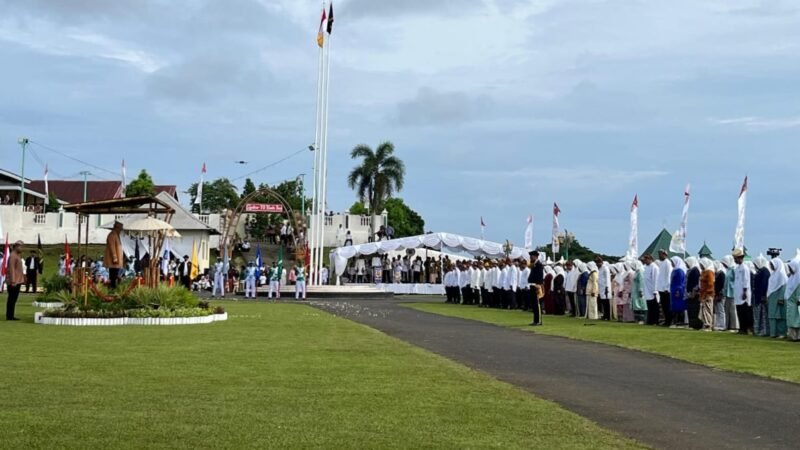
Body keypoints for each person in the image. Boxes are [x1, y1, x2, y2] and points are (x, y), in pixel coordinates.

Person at [766, 258, 787, 339]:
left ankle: (781, 333)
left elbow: (784, 286)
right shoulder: (773, 274)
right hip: (772, 297)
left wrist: (781, 297)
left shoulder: (782, 274)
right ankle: (773, 333)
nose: (771, 266)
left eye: (772, 264)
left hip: (778, 298)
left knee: (779, 315)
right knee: (772, 316)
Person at [733, 249, 752, 335]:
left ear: (740, 258)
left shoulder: (745, 268)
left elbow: (746, 281)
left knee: (745, 311)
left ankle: (746, 328)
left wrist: (745, 291)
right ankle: (741, 327)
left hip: (743, 292)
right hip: (737, 292)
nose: (734, 260)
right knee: (739, 311)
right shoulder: (737, 268)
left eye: (735, 258)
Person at [5, 241, 25, 320]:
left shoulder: (17, 255)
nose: (21, 248)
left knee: (13, 299)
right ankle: (10, 316)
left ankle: (11, 315)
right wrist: (13, 281)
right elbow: (11, 269)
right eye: (20, 246)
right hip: (14, 281)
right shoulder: (13, 256)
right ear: (16, 247)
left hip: (17, 280)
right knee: (12, 299)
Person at [752, 255, 771, 337]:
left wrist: (763, 295)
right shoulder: (760, 271)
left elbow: (764, 285)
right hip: (758, 295)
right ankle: (758, 330)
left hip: (762, 296)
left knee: (763, 315)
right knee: (758, 314)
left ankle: (764, 331)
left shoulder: (765, 272)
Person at [104, 221, 124, 289]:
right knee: (113, 276)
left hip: (116, 261)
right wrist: (114, 257)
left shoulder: (116, 235)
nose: (120, 231)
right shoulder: (112, 235)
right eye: (120, 229)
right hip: (114, 261)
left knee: (115, 275)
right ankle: (112, 287)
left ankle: (114, 287)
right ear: (117, 228)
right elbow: (111, 246)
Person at [721, 255, 739, 332]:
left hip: (733, 292)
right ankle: (727, 325)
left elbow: (736, 280)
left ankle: (734, 326)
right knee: (726, 309)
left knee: (732, 310)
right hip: (727, 292)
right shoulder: (728, 270)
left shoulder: (734, 269)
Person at [699, 258, 717, 331]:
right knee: (704, 310)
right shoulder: (704, 272)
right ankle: (705, 324)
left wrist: (707, 293)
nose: (701, 266)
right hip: (703, 294)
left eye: (702, 264)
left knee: (708, 310)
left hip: (708, 294)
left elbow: (710, 284)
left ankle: (708, 325)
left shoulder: (709, 272)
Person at [656, 250, 673, 326]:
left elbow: (668, 276)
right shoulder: (661, 263)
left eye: (660, 254)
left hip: (666, 289)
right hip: (661, 288)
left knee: (667, 306)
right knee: (663, 306)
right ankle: (666, 320)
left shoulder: (667, 263)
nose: (659, 256)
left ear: (664, 254)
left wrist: (667, 288)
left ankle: (669, 321)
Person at [784, 259, 800, 341]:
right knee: (791, 320)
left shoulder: (798, 278)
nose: (789, 269)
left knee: (797, 320)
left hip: (796, 303)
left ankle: (797, 336)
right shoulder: (791, 277)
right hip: (790, 302)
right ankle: (792, 336)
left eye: (790, 267)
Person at [669, 257, 687, 327]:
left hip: (678, 290)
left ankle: (680, 321)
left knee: (679, 306)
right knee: (674, 306)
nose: (672, 263)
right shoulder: (674, 270)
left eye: (672, 262)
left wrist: (678, 291)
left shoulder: (680, 271)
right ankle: (675, 320)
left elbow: (680, 282)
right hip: (673, 290)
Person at [685, 257, 702, 330]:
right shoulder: (691, 270)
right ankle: (691, 324)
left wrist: (693, 293)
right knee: (690, 309)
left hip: (694, 294)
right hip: (690, 293)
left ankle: (694, 325)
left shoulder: (695, 270)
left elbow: (696, 283)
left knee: (694, 310)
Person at [528, 251, 545, 325]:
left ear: (536, 257)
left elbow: (540, 277)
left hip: (537, 286)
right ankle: (535, 320)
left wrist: (538, 284)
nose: (531, 258)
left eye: (532, 256)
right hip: (532, 285)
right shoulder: (533, 265)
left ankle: (538, 320)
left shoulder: (539, 265)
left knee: (537, 304)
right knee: (534, 304)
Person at [643, 254, 660, 325]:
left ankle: (655, 321)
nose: (645, 261)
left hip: (652, 289)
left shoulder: (654, 267)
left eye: (646, 259)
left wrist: (655, 290)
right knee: (649, 306)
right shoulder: (645, 267)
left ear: (650, 259)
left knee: (654, 306)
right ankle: (649, 320)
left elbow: (655, 279)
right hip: (647, 289)